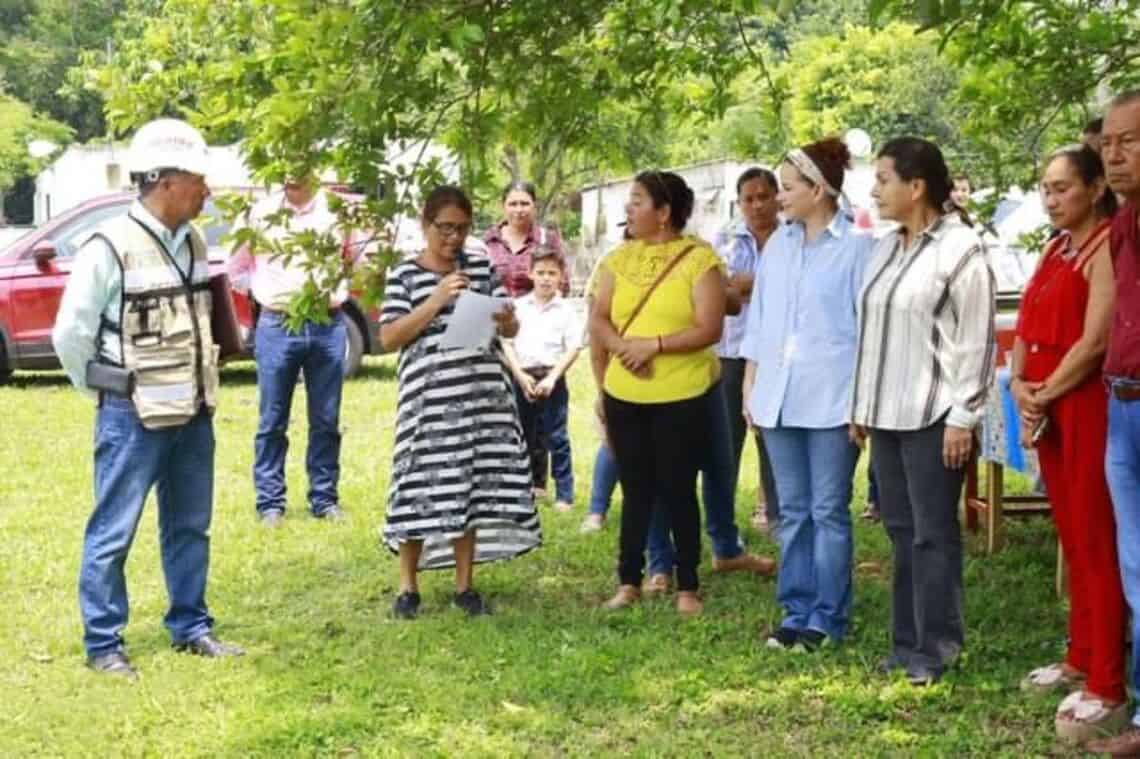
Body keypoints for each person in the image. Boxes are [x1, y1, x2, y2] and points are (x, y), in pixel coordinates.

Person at [51, 118, 244, 679]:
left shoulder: (195, 241)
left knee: (190, 524)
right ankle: (103, 642)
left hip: (193, 410)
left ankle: (190, 625)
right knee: (114, 528)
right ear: (164, 182)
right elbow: (71, 333)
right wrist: (101, 388)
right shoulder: (108, 245)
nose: (206, 191)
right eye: (198, 180)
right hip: (131, 414)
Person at [849, 136, 996, 686]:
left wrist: (964, 416)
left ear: (917, 187)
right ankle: (905, 642)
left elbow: (976, 340)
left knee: (933, 532)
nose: (874, 189)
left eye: (883, 179)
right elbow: (871, 331)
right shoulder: (886, 246)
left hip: (935, 414)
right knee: (899, 528)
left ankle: (936, 647)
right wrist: (860, 403)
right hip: (885, 412)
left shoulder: (962, 249)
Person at [379, 185, 540, 620]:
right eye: (445, 228)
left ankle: (465, 586)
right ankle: (407, 588)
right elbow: (389, 336)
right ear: (425, 224)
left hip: (478, 396)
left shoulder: (478, 266)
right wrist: (436, 300)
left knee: (467, 483)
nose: (453, 238)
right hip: (427, 401)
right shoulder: (404, 275)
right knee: (417, 483)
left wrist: (507, 320)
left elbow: (507, 331)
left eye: (462, 228)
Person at [1012, 144, 1126, 744]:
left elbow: (1095, 337)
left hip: (1084, 405)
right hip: (1047, 403)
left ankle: (1108, 680)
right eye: (1046, 188)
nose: (1052, 199)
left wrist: (1047, 391)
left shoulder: (1105, 244)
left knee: (1096, 536)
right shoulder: (1055, 249)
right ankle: (1079, 655)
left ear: (1094, 188)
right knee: (1070, 533)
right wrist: (1020, 383)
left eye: (1062, 188)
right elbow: (1027, 327)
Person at [740, 137, 873, 652]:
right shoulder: (779, 245)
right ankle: (795, 610)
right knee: (790, 512)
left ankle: (828, 617)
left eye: (789, 188)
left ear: (819, 190)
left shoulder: (859, 249)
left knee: (828, 511)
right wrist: (751, 382)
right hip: (777, 397)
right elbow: (762, 320)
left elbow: (866, 333)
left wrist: (860, 403)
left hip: (833, 399)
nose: (778, 198)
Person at [590, 170, 725, 616]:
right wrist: (625, 348)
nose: (628, 209)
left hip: (681, 394)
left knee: (678, 488)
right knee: (635, 489)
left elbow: (710, 327)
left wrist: (657, 345)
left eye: (637, 201)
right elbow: (600, 319)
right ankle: (629, 579)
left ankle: (688, 583)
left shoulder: (699, 260)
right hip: (624, 393)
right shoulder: (616, 260)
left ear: (664, 213)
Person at [228, 177, 360, 526]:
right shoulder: (259, 212)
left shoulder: (338, 210)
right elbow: (236, 270)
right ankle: (270, 503)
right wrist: (267, 294)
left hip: (327, 323)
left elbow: (352, 259)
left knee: (326, 418)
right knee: (272, 418)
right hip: (277, 324)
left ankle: (325, 498)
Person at [1088, 90, 1140, 758]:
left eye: (1130, 139)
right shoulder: (1124, 224)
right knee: (1135, 565)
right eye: (1108, 143)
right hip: (1121, 403)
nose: (1116, 153)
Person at [483, 180, 569, 497]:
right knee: (499, 405)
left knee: (539, 413)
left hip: (536, 333)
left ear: (534, 205)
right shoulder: (487, 242)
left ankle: (537, 482)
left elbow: (564, 281)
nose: (519, 210)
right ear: (503, 205)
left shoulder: (548, 239)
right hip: (496, 332)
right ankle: (502, 476)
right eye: (513, 203)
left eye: (525, 203)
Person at [714, 167, 782, 533]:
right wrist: (739, 288)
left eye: (763, 197)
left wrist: (752, 283)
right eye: (748, 199)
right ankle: (723, 523)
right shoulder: (724, 238)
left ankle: (774, 515)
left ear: (777, 197)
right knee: (726, 440)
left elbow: (794, 290)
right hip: (730, 349)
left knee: (773, 438)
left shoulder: (793, 236)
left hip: (776, 354)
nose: (756, 205)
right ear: (738, 203)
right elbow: (718, 289)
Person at [502, 247, 581, 512]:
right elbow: (507, 344)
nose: (546, 278)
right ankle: (530, 488)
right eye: (541, 272)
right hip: (523, 376)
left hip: (552, 377)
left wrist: (553, 378)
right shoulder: (518, 306)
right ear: (530, 273)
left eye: (552, 273)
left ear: (561, 276)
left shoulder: (566, 310)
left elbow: (573, 347)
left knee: (556, 436)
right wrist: (519, 375)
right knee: (524, 435)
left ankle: (564, 494)